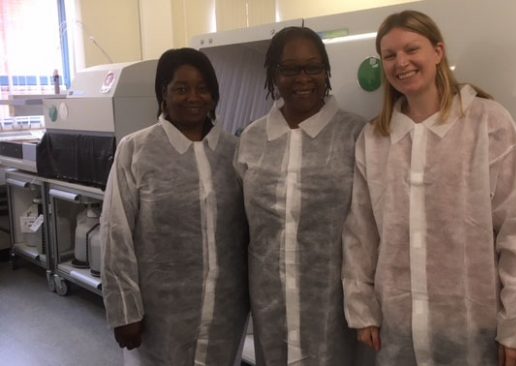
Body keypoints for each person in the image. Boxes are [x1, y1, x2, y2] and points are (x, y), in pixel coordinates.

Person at [342, 10, 516, 366]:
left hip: (474, 330)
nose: (401, 63)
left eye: (412, 49)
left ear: (438, 52)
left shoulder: (486, 122)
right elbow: (360, 232)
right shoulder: (375, 139)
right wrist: (361, 305)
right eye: (390, 55)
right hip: (398, 331)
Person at [100, 47, 249, 366]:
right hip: (160, 317)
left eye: (203, 88)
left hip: (226, 311)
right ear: (163, 94)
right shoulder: (136, 150)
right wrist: (125, 311)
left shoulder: (234, 152)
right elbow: (116, 234)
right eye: (181, 88)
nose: (193, 97)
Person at [235, 27, 369, 365]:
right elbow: (242, 229)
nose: (303, 78)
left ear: (326, 71)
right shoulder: (252, 138)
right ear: (273, 74)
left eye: (313, 67)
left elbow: (371, 226)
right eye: (290, 69)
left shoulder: (355, 134)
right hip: (270, 306)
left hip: (335, 308)